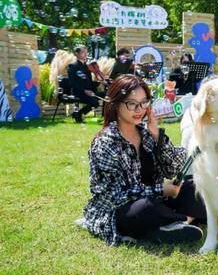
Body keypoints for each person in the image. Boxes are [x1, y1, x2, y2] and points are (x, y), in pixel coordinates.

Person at [81, 75, 206, 245]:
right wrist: (161, 190)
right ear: (116, 104)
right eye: (132, 103)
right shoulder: (106, 142)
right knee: (145, 208)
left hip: (157, 200)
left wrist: (157, 137)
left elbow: (174, 168)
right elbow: (117, 194)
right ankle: (183, 221)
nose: (139, 109)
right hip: (120, 209)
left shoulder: (146, 133)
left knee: (196, 187)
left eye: (144, 102)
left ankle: (169, 225)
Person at [67, 45, 100, 123]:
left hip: (89, 91)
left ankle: (78, 114)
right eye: (82, 52)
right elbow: (72, 82)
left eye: (86, 52)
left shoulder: (87, 66)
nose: (85, 54)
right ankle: (79, 114)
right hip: (79, 92)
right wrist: (84, 90)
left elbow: (89, 81)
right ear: (77, 54)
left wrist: (98, 82)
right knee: (95, 103)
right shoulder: (72, 66)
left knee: (104, 94)